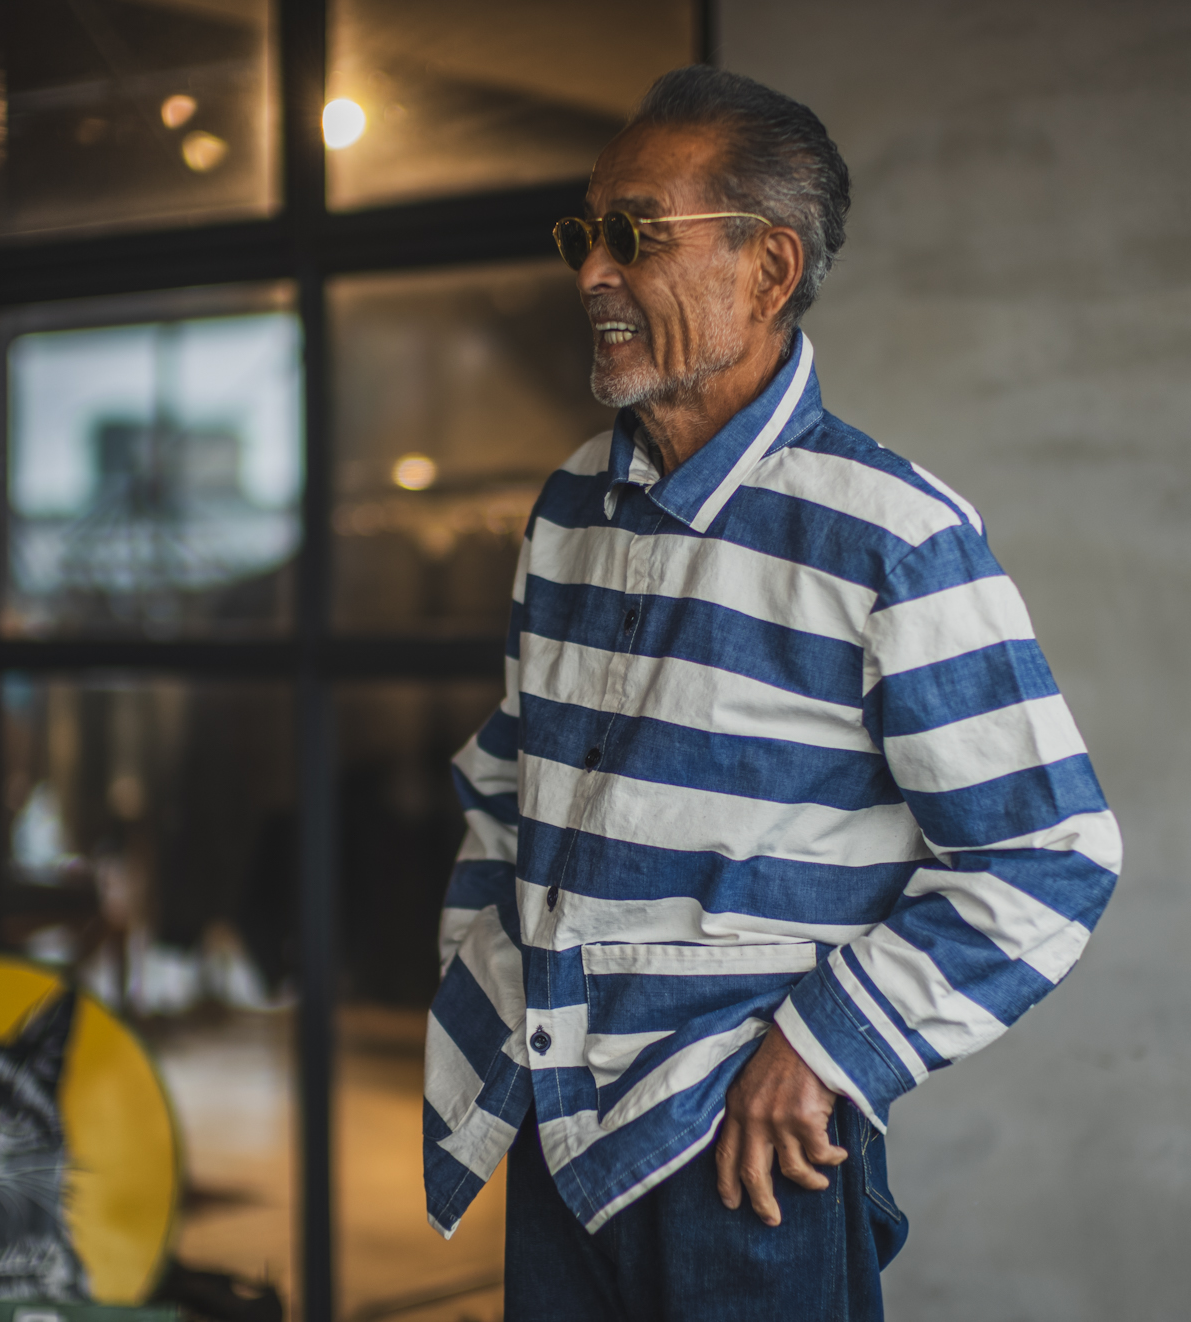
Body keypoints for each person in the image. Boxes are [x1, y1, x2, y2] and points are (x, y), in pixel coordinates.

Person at [423, 66, 1121, 1321]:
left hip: (743, 1159)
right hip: (552, 1130)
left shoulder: (892, 535)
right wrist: (485, 988)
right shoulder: (566, 507)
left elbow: (1049, 856)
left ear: (767, 267)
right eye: (585, 234)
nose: (591, 273)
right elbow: (506, 788)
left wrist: (819, 1047)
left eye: (633, 233)